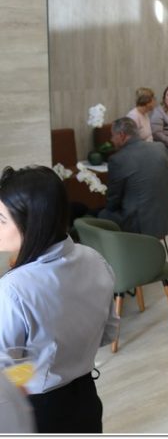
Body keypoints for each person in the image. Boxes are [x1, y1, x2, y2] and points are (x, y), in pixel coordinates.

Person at [0, 165, 119, 433]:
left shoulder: (13, 288)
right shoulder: (95, 259)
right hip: (86, 399)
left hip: (38, 411)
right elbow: (108, 333)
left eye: (1, 219)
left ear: (31, 222)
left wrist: (37, 367)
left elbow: (5, 372)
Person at [99, 117, 168, 238]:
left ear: (122, 135)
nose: (112, 140)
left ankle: (121, 249)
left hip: (140, 224)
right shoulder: (159, 147)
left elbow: (113, 200)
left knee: (102, 215)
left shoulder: (118, 159)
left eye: (112, 136)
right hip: (166, 216)